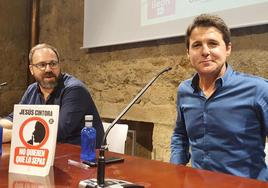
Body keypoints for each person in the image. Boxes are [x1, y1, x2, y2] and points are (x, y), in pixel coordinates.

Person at [170, 14, 268, 181]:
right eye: (197, 45)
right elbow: (180, 135)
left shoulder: (258, 90)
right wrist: (176, 170)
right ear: (188, 52)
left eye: (213, 44)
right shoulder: (184, 90)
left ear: (228, 48)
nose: (205, 52)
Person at [0, 43, 104, 147]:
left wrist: (10, 135)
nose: (48, 69)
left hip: (82, 156)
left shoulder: (74, 90)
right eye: (42, 65)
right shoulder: (32, 90)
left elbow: (58, 132)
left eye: (53, 64)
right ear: (31, 69)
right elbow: (15, 119)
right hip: (49, 152)